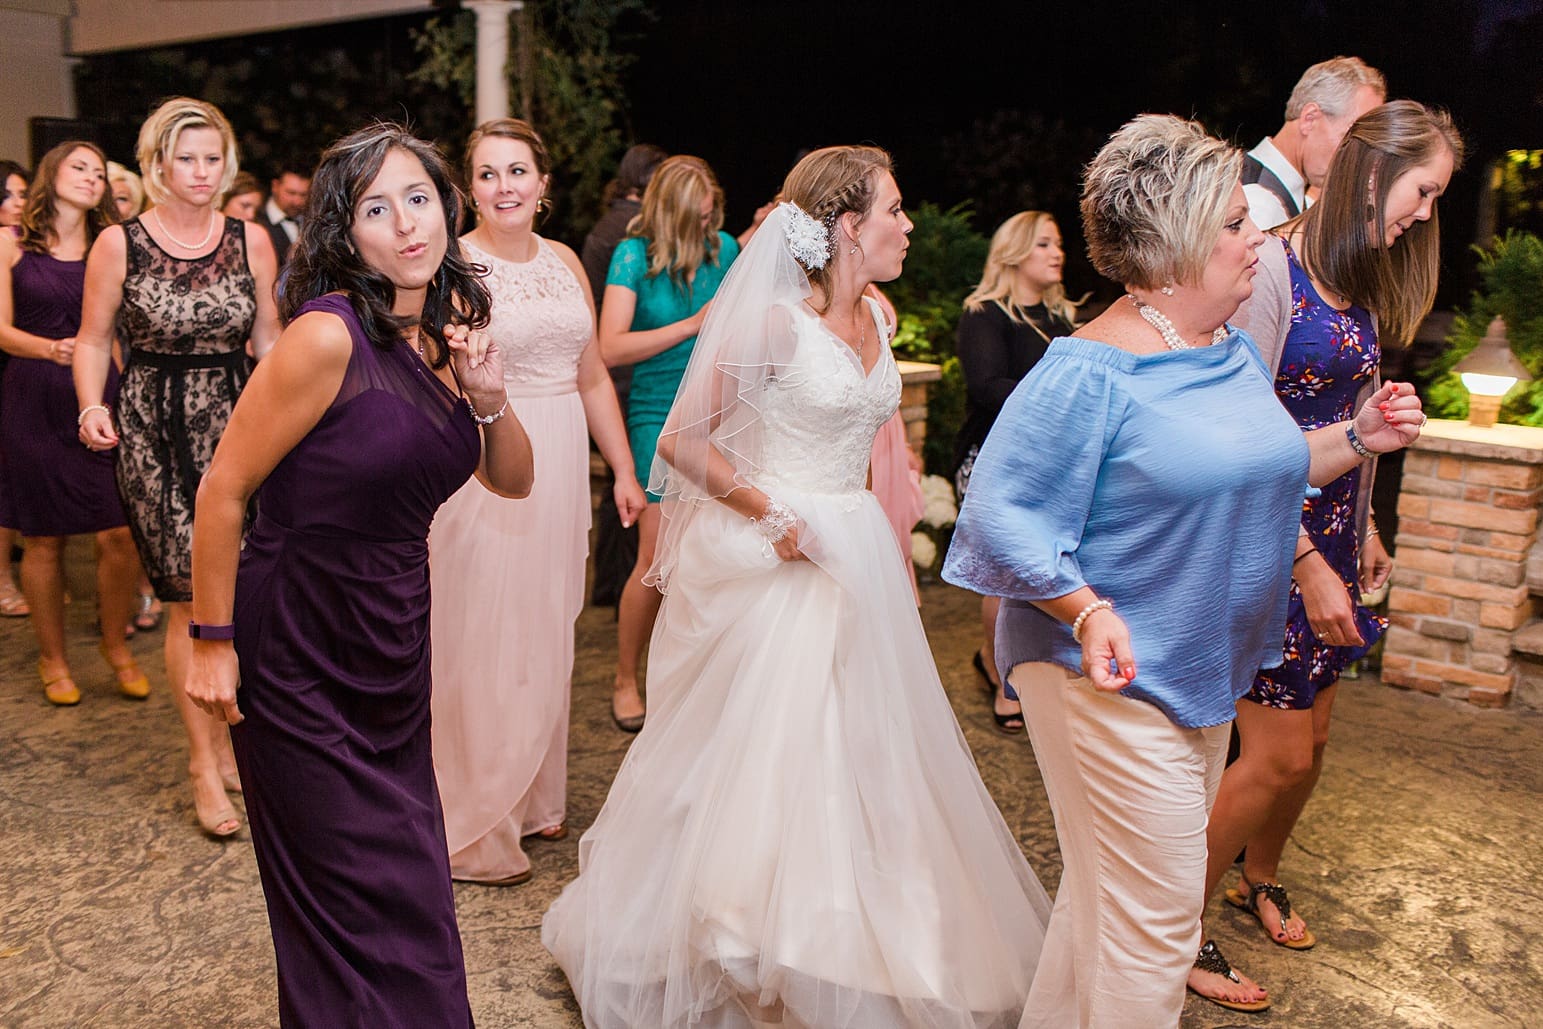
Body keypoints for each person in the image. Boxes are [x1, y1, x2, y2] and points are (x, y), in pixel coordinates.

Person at [543, 144, 1053, 1028]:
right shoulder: (775, 324)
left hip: (858, 549)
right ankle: (744, 931)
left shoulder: (880, 322)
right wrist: (773, 515)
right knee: (782, 750)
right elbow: (680, 442)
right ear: (847, 226)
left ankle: (853, 927)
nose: (905, 223)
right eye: (892, 210)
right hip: (782, 555)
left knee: (870, 746)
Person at [941, 113, 1427, 1026]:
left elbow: (1266, 463)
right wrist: (1085, 609)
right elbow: (998, 519)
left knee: (1111, 908)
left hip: (1199, 667)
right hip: (1106, 680)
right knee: (1159, 923)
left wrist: (1358, 437)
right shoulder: (1088, 371)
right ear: (1173, 245)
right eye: (1236, 226)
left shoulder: (1223, 349)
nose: (1259, 241)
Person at [185, 121, 535, 1027]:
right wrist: (213, 643)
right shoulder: (323, 339)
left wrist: (489, 400)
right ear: (345, 233)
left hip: (390, 634)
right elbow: (223, 494)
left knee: (409, 884)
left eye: (418, 199)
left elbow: (513, 478)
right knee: (342, 895)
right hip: (296, 636)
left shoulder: (449, 338)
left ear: (445, 209)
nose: (407, 226)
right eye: (377, 209)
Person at [1191, 100, 1464, 1010]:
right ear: (1375, 171)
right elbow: (1244, 432)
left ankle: (1254, 876)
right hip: (1274, 544)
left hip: (1338, 536)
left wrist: (1368, 531)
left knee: (1308, 746)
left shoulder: (1357, 277)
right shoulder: (1270, 267)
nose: (1425, 214)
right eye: (1422, 192)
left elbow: (1358, 422)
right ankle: (1167, 930)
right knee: (1267, 756)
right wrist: (1307, 564)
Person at [428, 118, 645, 887]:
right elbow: (435, 377)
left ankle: (531, 794)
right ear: (469, 187)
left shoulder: (563, 263)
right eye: (487, 174)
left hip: (561, 462)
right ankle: (476, 809)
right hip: (487, 457)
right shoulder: (454, 264)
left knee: (548, 623)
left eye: (517, 171)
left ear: (543, 183)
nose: (504, 186)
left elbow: (590, 377)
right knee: (483, 628)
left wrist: (620, 468)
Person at [74, 96, 281, 839]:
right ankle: (203, 759)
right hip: (151, 426)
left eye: (212, 157)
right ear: (158, 164)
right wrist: (88, 403)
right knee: (190, 593)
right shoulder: (119, 244)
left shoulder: (250, 240)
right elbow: (94, 338)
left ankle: (234, 742)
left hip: (238, 421)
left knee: (243, 589)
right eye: (186, 158)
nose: (201, 171)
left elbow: (269, 339)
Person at [0, 140, 146, 704]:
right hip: (32, 396)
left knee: (118, 532)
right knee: (43, 539)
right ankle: (53, 660)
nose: (91, 178)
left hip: (101, 392)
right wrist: (53, 350)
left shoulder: (110, 246)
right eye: (78, 167)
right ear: (50, 174)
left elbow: (116, 329)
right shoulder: (12, 245)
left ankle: (116, 645)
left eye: (98, 172)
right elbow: (2, 330)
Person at [599, 154, 739, 732]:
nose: (707, 228)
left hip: (718, 409)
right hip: (656, 412)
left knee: (712, 551)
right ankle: (625, 677)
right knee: (655, 560)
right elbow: (609, 348)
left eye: (712, 218)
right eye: (697, 221)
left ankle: (691, 677)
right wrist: (691, 325)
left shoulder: (725, 249)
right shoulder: (632, 257)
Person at [952, 210, 1080, 735]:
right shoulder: (984, 314)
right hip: (993, 460)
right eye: (1045, 244)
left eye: (1059, 244)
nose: (1058, 253)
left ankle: (1040, 672)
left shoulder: (1063, 319)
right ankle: (1000, 672)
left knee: (1051, 570)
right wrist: (1058, 405)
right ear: (1016, 252)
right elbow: (987, 386)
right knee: (1005, 577)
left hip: (1056, 463)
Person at [581, 141, 666, 608]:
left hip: (616, 368)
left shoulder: (605, 225)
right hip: (629, 371)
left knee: (625, 485)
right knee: (632, 486)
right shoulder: (630, 233)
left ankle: (611, 586)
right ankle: (620, 585)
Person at [104, 159, 163, 637]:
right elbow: (99, 335)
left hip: (204, 396)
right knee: (131, 522)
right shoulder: (115, 248)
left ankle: (151, 589)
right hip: (131, 387)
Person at [1243, 56, 1385, 230]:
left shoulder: (1268, 186)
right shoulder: (1255, 201)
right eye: (1350, 139)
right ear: (1309, 119)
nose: (1356, 159)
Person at [863, 281, 927, 604]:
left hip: (888, 428)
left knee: (890, 533)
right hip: (860, 431)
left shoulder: (867, 282)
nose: (907, 227)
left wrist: (902, 447)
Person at [0, 158, 30, 618]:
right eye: (12, 194)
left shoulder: (29, 241)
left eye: (25, 194)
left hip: (28, 368)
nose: (21, 202)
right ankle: (3, 578)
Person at [254, 161, 310, 268]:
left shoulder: (313, 220)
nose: (297, 201)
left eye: (303, 195)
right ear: (275, 186)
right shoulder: (256, 219)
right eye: (291, 193)